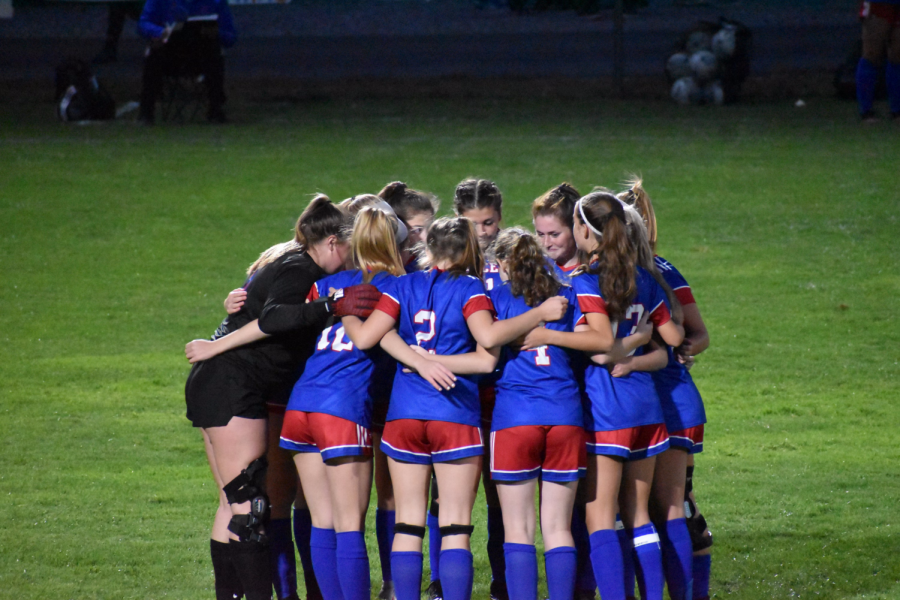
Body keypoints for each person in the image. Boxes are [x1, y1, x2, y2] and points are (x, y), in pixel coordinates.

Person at [340, 216, 569, 600]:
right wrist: (540, 314)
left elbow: (367, 337)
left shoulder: (401, 285)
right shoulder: (471, 289)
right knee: (455, 527)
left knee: (408, 524)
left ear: (427, 248)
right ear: (470, 251)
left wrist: (350, 313)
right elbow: (486, 352)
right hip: (454, 415)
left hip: (404, 416)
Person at [183, 195, 379, 600]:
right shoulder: (301, 267)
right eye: (347, 248)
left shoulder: (288, 262)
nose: (348, 258)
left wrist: (216, 344)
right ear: (330, 243)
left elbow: (258, 316)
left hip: (221, 384)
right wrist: (331, 304)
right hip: (234, 386)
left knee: (233, 502)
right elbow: (273, 318)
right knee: (250, 506)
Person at [523, 192, 683, 600]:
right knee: (640, 516)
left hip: (608, 410)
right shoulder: (643, 277)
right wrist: (640, 337)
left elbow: (598, 346)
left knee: (599, 519)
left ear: (582, 230)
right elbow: (675, 340)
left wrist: (545, 333)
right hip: (647, 407)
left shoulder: (587, 280)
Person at [278, 205, 409, 600]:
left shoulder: (326, 286)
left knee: (323, 522)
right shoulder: (397, 286)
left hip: (300, 405)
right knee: (350, 525)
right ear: (393, 245)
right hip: (342, 409)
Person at [621, 181, 713, 600]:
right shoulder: (663, 270)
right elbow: (694, 336)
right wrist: (680, 347)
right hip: (675, 400)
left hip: (658, 404)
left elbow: (693, 337)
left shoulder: (626, 278)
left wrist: (675, 348)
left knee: (646, 512)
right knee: (675, 509)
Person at [484, 228, 587, 600]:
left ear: (504, 264)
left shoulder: (494, 299)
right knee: (559, 527)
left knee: (518, 529)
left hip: (514, 419)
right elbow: (594, 344)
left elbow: (486, 341)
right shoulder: (569, 296)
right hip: (566, 416)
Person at [372, 181, 439, 600]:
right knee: (392, 493)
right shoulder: (389, 277)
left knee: (434, 495)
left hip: (423, 395)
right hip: (385, 392)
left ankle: (433, 581)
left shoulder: (430, 272)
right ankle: (393, 582)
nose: (422, 238)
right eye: (413, 230)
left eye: (427, 229)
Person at [450, 178, 507, 600]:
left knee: (502, 495)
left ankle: (504, 580)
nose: (483, 232)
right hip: (457, 393)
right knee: (451, 496)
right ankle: (443, 582)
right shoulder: (445, 259)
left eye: (489, 222)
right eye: (474, 224)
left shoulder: (517, 259)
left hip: (504, 393)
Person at [137, 0, 236, 124]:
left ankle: (215, 110)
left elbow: (231, 37)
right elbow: (143, 23)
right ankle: (146, 112)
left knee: (214, 51)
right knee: (154, 52)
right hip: (169, 57)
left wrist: (216, 33)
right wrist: (160, 32)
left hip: (200, 59)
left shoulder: (216, 2)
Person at [856, 0, 900, 121]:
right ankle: (866, 111)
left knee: (897, 54)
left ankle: (897, 111)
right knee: (872, 53)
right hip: (879, 4)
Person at [532, 183, 582, 280]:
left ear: (575, 228)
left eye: (554, 235)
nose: (546, 243)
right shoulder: (534, 270)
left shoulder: (595, 273)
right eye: (540, 234)